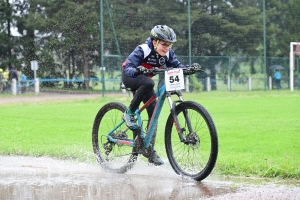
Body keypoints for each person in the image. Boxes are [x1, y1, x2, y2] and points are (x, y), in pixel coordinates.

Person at [121, 25, 201, 165]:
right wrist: (137, 70)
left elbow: (177, 65)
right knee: (149, 83)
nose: (167, 48)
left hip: (146, 82)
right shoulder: (143, 49)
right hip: (131, 77)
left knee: (154, 114)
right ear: (154, 42)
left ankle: (149, 150)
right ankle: (129, 113)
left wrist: (188, 69)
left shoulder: (168, 53)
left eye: (169, 45)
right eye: (164, 44)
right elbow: (128, 67)